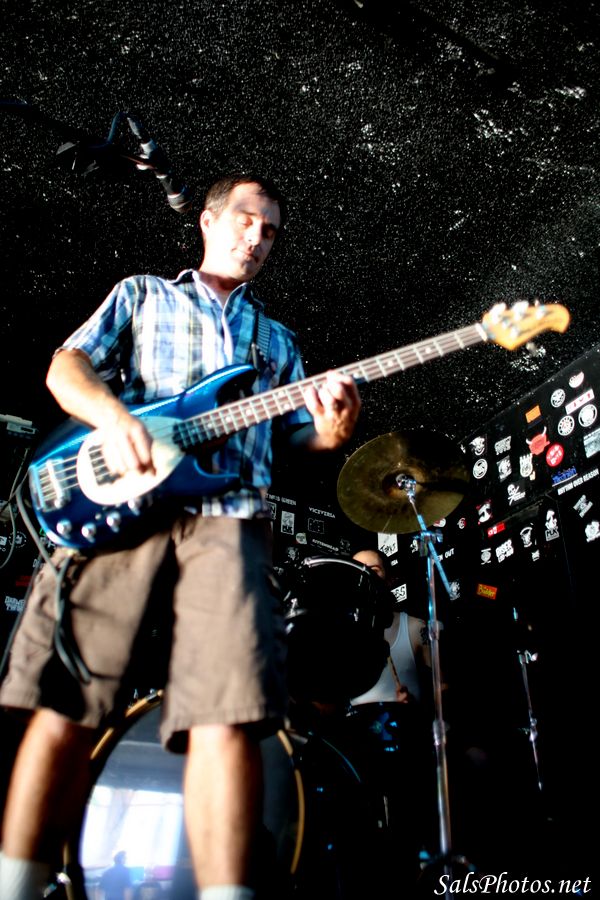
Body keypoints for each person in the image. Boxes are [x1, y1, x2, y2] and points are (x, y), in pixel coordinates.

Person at [0, 173, 361, 900]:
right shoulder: (141, 294)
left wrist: (330, 434)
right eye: (246, 220)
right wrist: (114, 419)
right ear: (207, 220)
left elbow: (294, 442)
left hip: (230, 519)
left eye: (271, 232)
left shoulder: (279, 342)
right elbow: (66, 368)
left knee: (229, 713)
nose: (257, 238)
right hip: (119, 505)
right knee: (68, 701)